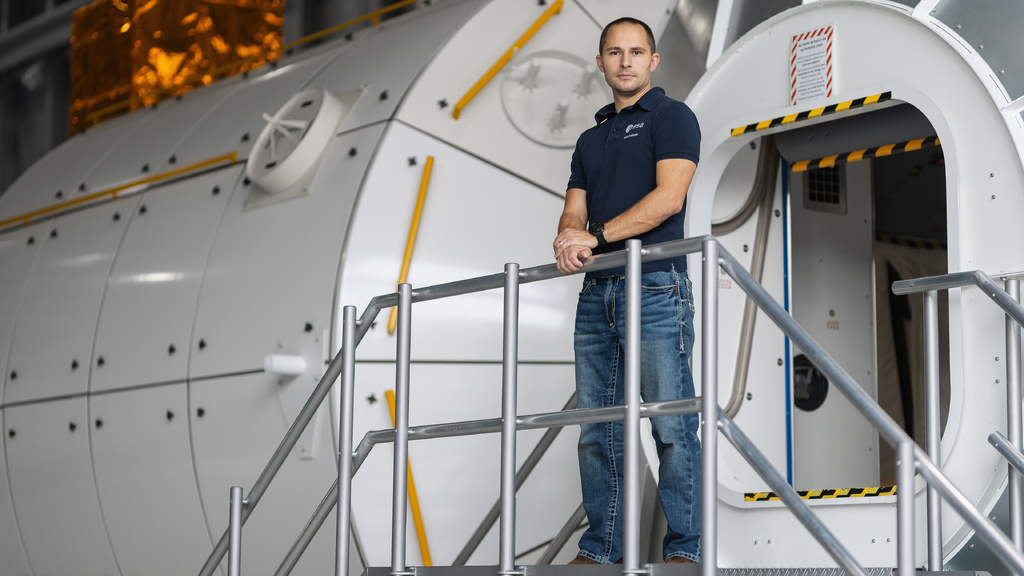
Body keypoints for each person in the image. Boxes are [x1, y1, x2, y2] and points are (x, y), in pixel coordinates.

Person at [552, 16, 701, 565]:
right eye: (615, 52)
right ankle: (601, 549)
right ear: (601, 62)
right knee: (597, 430)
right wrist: (568, 236)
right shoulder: (591, 138)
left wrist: (592, 236)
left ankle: (688, 549)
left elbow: (669, 200)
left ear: (653, 61)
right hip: (598, 295)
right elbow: (575, 204)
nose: (626, 61)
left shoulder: (672, 116)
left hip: (657, 288)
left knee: (671, 424)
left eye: (637, 51)